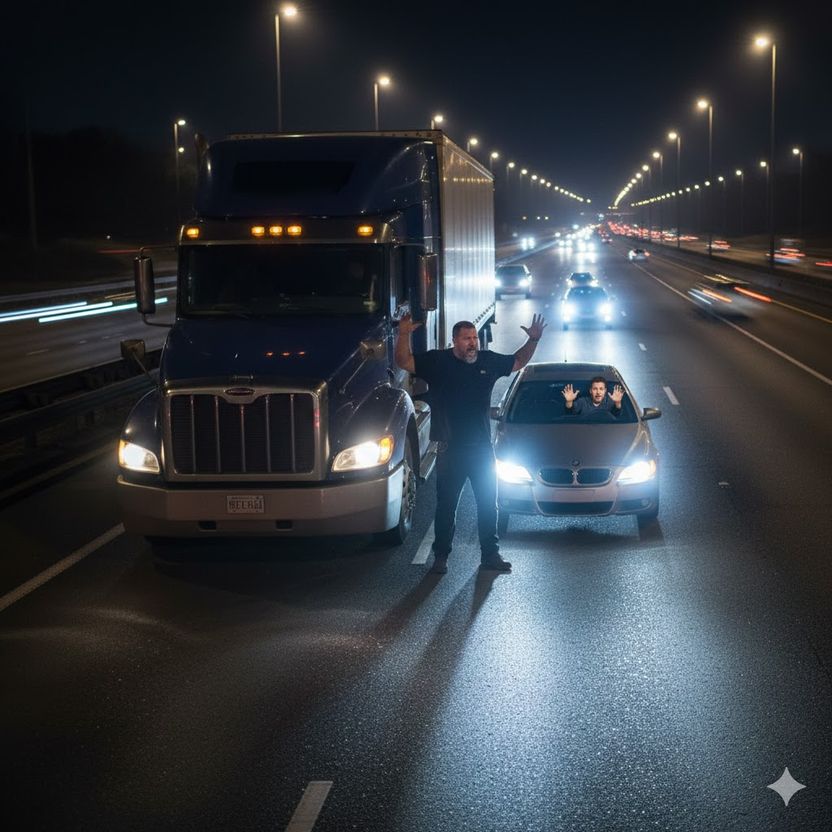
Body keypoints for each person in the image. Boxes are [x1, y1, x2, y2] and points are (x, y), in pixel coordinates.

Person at [395, 313, 546, 574]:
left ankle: (490, 555)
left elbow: (518, 361)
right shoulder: (438, 361)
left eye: (475, 337)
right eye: (467, 338)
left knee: (488, 504)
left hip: (481, 449)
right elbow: (404, 360)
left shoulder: (487, 361)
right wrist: (404, 334)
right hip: (450, 449)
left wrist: (533, 339)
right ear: (455, 341)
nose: (473, 342)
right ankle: (441, 556)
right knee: (446, 507)